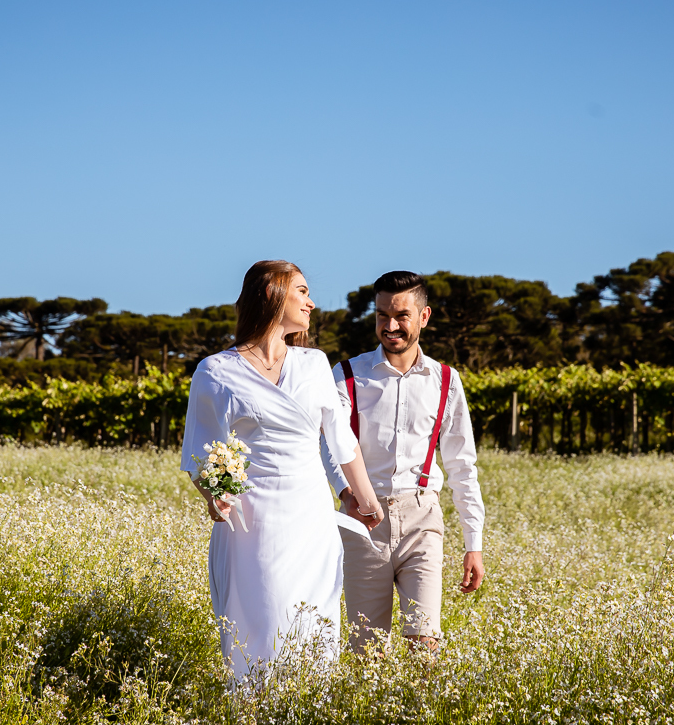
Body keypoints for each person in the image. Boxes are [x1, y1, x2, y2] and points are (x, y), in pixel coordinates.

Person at [180, 260, 383, 681]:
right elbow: (200, 451)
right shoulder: (215, 372)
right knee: (263, 624)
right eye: (302, 292)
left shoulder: (313, 364)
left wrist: (365, 498)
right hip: (254, 523)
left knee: (313, 630)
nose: (312, 303)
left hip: (311, 521)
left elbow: (341, 441)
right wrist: (214, 496)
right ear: (273, 295)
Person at [323, 271, 486, 652]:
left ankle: (423, 712)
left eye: (401, 316)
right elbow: (329, 445)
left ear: (424, 316)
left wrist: (473, 544)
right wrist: (348, 495)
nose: (390, 326)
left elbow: (463, 465)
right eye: (382, 315)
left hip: (422, 517)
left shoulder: (446, 380)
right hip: (363, 518)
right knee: (366, 647)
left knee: (425, 641)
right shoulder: (347, 375)